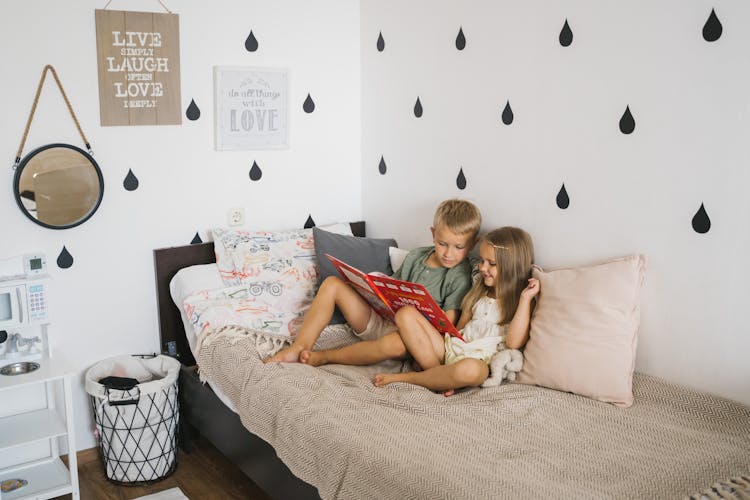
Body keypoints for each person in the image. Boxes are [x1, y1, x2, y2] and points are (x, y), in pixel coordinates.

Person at [301, 227, 539, 396]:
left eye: (491, 264)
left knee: (471, 370)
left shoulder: (518, 300)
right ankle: (438, 376)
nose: (483, 267)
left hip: (478, 361)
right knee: (405, 313)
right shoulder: (478, 291)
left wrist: (526, 298)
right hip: (450, 350)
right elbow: (458, 331)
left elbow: (515, 341)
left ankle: (409, 379)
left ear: (511, 266)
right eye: (483, 261)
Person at [264, 199, 481, 364]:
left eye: (458, 247)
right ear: (433, 234)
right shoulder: (416, 256)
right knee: (332, 284)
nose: (448, 254)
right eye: (443, 244)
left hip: (411, 339)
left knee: (393, 345)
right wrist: (371, 290)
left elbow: (446, 326)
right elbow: (392, 289)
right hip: (383, 320)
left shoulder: (460, 275)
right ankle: (299, 346)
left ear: (472, 244)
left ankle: (324, 357)